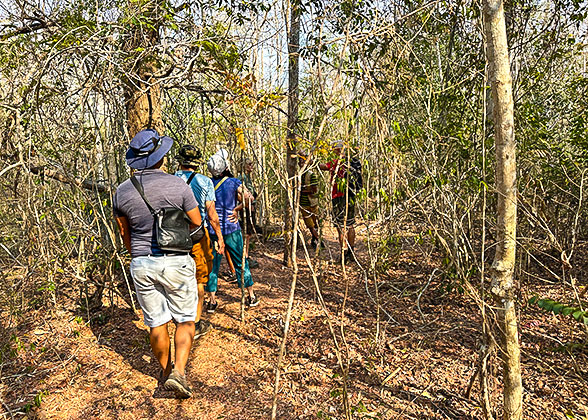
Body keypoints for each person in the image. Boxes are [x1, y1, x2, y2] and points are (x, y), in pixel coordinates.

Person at [113, 129, 201, 398]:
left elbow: (124, 233)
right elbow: (197, 223)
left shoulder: (122, 192)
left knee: (156, 322)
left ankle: (165, 372)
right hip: (176, 260)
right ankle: (180, 372)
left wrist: (138, 255)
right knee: (186, 319)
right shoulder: (178, 185)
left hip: (142, 263)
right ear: (161, 158)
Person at [174, 144, 225, 339]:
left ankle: (179, 317)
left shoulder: (171, 180)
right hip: (196, 234)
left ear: (180, 160)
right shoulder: (205, 182)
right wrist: (219, 237)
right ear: (197, 162)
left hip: (172, 236)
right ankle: (195, 322)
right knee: (200, 277)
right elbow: (212, 215)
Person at [206, 149, 259, 310]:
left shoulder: (207, 183)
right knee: (240, 263)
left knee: (212, 266)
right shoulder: (234, 182)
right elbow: (250, 198)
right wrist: (237, 209)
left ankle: (212, 301)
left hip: (213, 231)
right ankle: (250, 296)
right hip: (231, 230)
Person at [319, 141, 359, 262]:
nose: (334, 152)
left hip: (339, 196)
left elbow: (324, 166)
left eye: (335, 150)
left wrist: (311, 161)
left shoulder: (338, 162)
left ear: (338, 150)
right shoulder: (353, 162)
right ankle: (351, 252)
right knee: (350, 224)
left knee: (341, 226)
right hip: (351, 195)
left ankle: (344, 253)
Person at [298, 151, 322, 249]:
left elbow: (314, 190)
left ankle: (315, 239)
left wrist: (302, 191)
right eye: (300, 162)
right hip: (303, 204)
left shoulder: (311, 175)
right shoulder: (297, 175)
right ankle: (319, 241)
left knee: (315, 223)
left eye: (303, 162)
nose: (301, 164)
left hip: (313, 203)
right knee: (310, 225)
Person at [238, 158, 259, 268]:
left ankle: (246, 255)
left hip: (251, 207)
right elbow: (241, 195)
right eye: (249, 164)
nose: (251, 166)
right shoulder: (241, 178)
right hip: (246, 208)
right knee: (246, 233)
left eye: (252, 164)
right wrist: (247, 206)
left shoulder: (248, 177)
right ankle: (244, 257)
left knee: (249, 233)